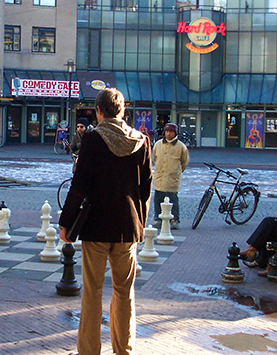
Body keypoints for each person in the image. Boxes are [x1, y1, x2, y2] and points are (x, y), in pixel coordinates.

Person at [58, 88, 152, 355]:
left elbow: (79, 185)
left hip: (96, 225)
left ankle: (89, 351)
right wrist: (140, 224)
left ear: (99, 111)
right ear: (123, 110)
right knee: (125, 292)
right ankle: (124, 350)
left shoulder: (93, 139)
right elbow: (145, 189)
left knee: (92, 293)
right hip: (128, 227)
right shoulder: (141, 140)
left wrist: (66, 222)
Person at [151, 123, 189, 230]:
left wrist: (177, 171)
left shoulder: (181, 146)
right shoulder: (158, 144)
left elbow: (184, 162)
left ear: (175, 133)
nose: (168, 134)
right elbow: (155, 157)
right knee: (158, 197)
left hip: (172, 177)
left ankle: (174, 219)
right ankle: (158, 218)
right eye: (166, 131)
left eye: (171, 132)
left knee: (173, 199)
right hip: (160, 176)